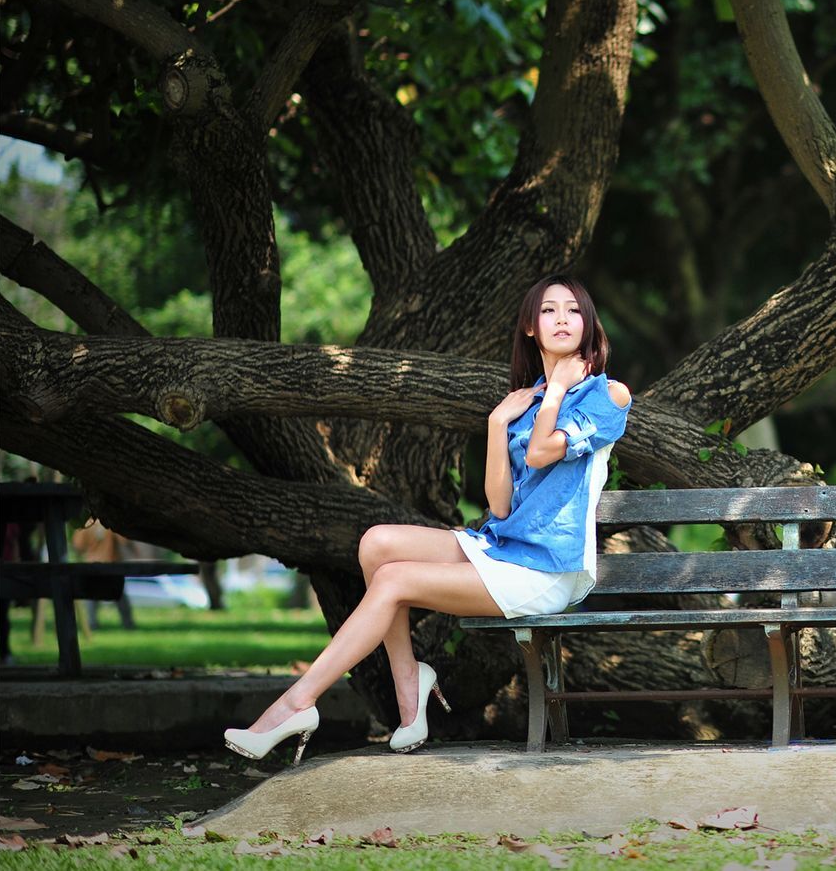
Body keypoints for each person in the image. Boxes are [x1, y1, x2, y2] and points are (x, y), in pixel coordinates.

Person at [224, 275, 631, 764]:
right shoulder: (524, 401)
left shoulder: (607, 396)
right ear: (529, 326)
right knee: (376, 543)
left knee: (394, 580)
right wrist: (496, 423)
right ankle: (408, 680)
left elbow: (544, 452)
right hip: (504, 545)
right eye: (549, 310)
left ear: (588, 325)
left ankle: (297, 702)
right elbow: (500, 505)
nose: (562, 318)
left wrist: (558, 390)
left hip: (546, 570)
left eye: (573, 310)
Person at [71, 520, 137, 631]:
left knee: (91, 596)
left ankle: (92, 623)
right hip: (111, 563)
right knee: (120, 595)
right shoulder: (110, 522)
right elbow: (124, 541)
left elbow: (78, 546)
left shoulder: (86, 524)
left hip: (91, 564)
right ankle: (128, 623)